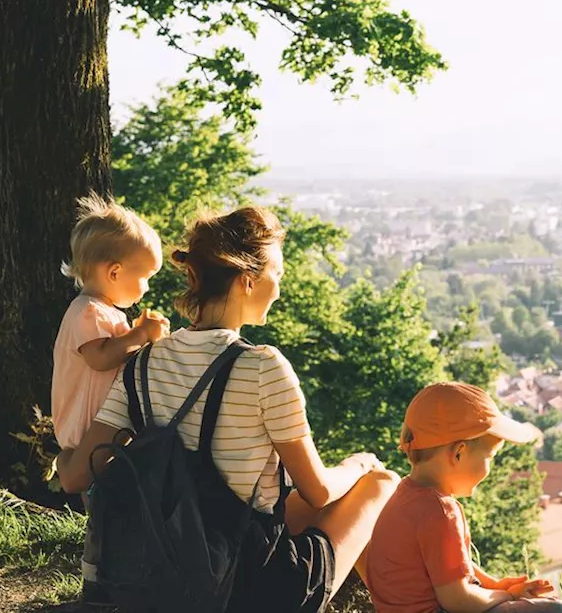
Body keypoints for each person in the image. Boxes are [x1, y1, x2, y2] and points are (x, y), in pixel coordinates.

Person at [59, 206, 399, 613]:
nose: (279, 288)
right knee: (381, 483)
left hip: (162, 570)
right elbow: (320, 491)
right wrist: (360, 464)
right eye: (279, 276)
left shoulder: (144, 359)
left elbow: (77, 475)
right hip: (247, 586)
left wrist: (61, 453)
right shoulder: (264, 366)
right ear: (247, 280)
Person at [363, 382, 562, 613]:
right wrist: (506, 595)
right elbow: (459, 599)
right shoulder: (440, 511)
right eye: (490, 457)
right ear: (459, 453)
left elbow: (448, 565)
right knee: (559, 611)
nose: (490, 468)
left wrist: (494, 585)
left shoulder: (406, 496)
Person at [50, 192, 168, 605]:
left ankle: (115, 573)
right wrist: (139, 336)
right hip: (88, 432)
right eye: (145, 276)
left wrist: (135, 334)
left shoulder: (107, 313)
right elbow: (101, 358)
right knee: (103, 511)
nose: (148, 285)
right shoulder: (87, 312)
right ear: (115, 272)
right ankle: (97, 584)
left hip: (100, 431)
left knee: (114, 504)